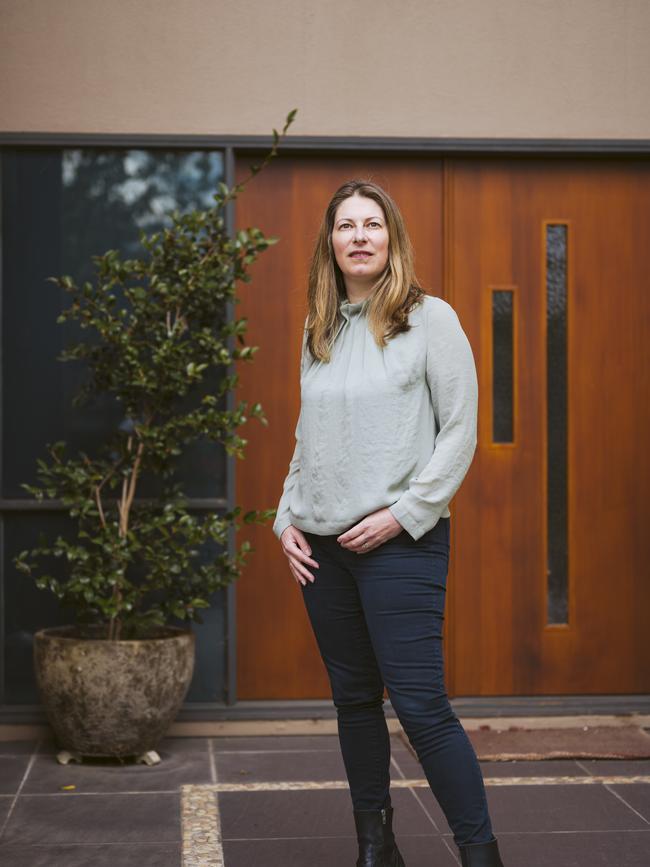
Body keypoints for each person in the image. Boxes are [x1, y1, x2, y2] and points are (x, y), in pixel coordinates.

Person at [272, 179, 505, 867]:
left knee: (422, 707)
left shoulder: (431, 320)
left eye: (373, 224)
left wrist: (403, 514)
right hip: (321, 551)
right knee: (353, 701)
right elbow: (306, 437)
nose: (360, 236)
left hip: (402, 545)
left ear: (391, 238)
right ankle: (377, 846)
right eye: (347, 226)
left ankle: (480, 853)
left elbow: (459, 432)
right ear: (331, 244)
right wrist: (285, 517)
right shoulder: (319, 329)